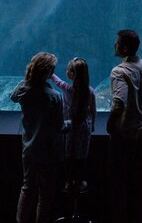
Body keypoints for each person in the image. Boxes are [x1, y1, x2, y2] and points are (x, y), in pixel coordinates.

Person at [106, 29, 142, 223]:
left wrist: (111, 125)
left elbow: (118, 103)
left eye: (117, 43)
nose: (114, 45)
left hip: (124, 137)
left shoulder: (119, 71)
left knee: (119, 182)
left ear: (123, 47)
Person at [10, 52, 65, 223]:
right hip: (49, 152)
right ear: (49, 73)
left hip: (29, 148)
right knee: (45, 193)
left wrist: (26, 81)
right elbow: (59, 126)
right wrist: (74, 124)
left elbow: (12, 97)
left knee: (27, 189)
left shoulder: (23, 89)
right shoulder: (55, 96)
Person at [51, 57, 97, 191]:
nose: (66, 71)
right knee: (81, 155)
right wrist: (92, 125)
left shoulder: (67, 89)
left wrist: (50, 73)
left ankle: (68, 181)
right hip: (85, 127)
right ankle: (79, 180)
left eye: (68, 69)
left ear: (72, 74)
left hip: (70, 126)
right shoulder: (90, 91)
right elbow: (93, 110)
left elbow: (58, 82)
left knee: (69, 154)